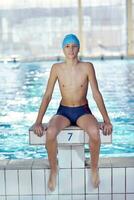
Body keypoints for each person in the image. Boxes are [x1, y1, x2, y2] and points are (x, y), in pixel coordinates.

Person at [33, 34, 113, 191]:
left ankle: (94, 169)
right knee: (50, 133)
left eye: (74, 46)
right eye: (67, 46)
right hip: (64, 111)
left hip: (82, 110)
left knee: (94, 133)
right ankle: (54, 169)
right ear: (63, 49)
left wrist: (106, 119)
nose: (71, 49)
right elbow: (47, 95)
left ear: (79, 48)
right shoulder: (56, 68)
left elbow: (96, 94)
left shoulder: (87, 67)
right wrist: (38, 121)